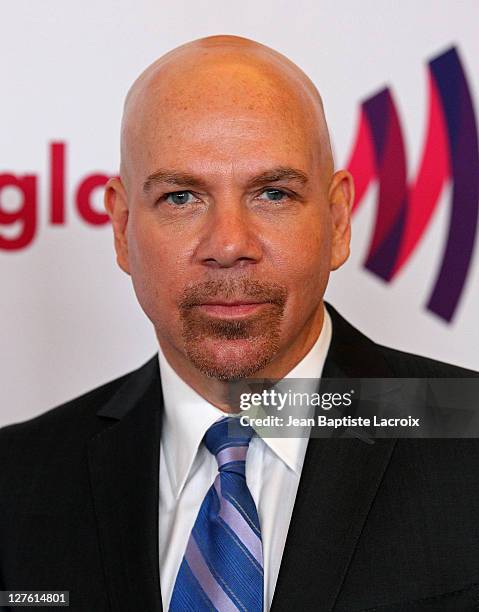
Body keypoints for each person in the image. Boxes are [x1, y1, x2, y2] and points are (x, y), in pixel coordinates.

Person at [0, 35, 478, 612]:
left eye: (273, 193)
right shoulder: (15, 481)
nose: (228, 244)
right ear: (123, 228)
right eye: (181, 198)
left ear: (337, 220)